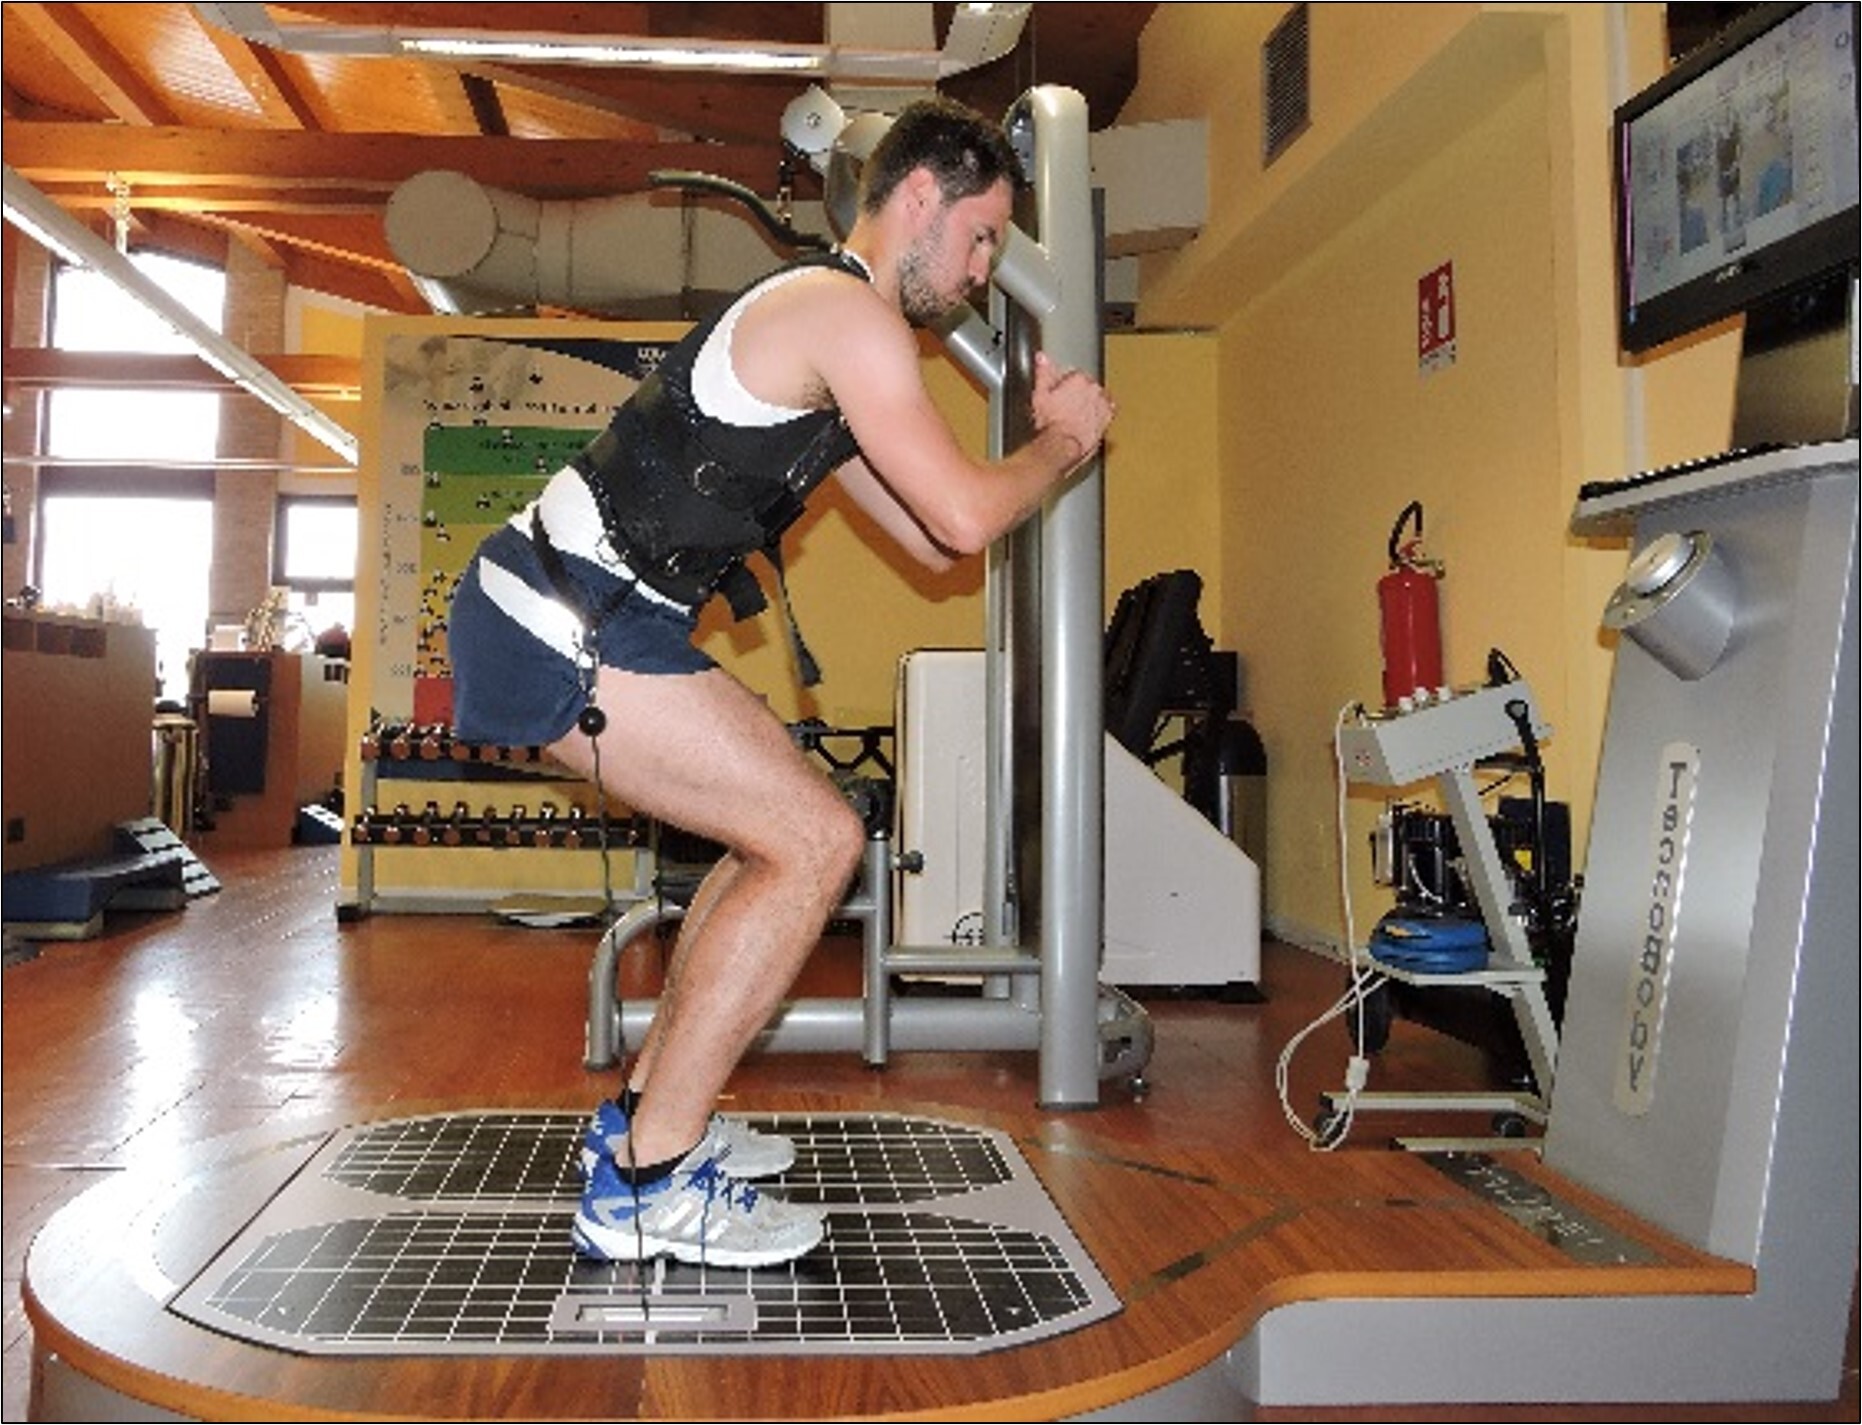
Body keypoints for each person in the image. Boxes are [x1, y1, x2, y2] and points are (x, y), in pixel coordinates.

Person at [447, 96, 1115, 1269]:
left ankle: (649, 1116)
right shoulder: (841, 312)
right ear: (919, 196)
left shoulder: (832, 344)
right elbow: (967, 519)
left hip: (591, 613)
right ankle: (646, 1183)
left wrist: (1031, 443)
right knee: (813, 843)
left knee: (786, 829)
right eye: (978, 238)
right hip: (562, 618)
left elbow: (930, 544)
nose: (978, 272)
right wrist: (1064, 442)